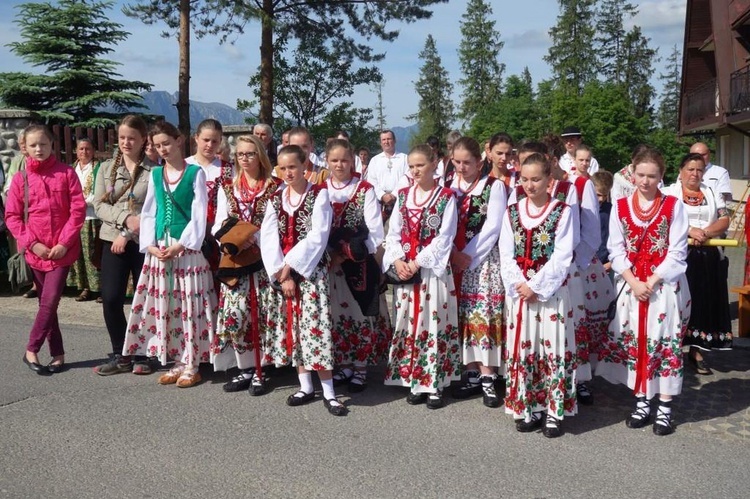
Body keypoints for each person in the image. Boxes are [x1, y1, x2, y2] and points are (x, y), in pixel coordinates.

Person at [597, 148, 690, 436]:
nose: (645, 181)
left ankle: (664, 406)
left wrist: (651, 281)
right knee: (636, 340)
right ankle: (640, 400)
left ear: (661, 176)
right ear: (632, 173)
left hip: (663, 288)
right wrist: (633, 282)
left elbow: (677, 252)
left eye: (652, 176)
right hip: (632, 286)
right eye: (641, 175)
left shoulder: (674, 206)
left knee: (663, 340)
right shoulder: (622, 206)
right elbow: (616, 248)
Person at [122, 121, 217, 388]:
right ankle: (177, 359)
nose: (163, 149)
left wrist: (181, 245)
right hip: (161, 249)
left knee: (190, 305)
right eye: (158, 145)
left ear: (179, 140)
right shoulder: (155, 175)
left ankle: (193, 363)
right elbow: (150, 212)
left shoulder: (195, 173)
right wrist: (149, 245)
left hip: (185, 249)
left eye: (167, 143)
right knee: (170, 306)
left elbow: (199, 214)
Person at [260, 145, 346, 416]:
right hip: (284, 277)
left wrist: (289, 267)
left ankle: (330, 392)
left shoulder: (319, 195)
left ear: (304, 166)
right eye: (282, 168)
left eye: (293, 167)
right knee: (295, 330)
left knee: (315, 329)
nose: (288, 172)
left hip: (310, 273)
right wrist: (278, 272)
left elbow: (317, 235)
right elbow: (268, 237)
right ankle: (305, 386)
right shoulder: (275, 198)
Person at [499, 152, 576, 438]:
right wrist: (520, 284)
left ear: (549, 179)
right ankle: (528, 406)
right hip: (521, 293)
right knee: (525, 348)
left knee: (551, 347)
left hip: (550, 294)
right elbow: (506, 253)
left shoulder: (563, 211)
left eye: (536, 179)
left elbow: (562, 255)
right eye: (525, 179)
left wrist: (537, 285)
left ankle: (554, 411)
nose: (530, 185)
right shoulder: (512, 212)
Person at [5, 124, 86, 375]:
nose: (38, 149)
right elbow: (12, 217)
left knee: (49, 301)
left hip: (62, 252)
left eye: (43, 144)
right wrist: (33, 243)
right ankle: (58, 353)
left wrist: (63, 243)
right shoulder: (21, 179)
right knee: (45, 303)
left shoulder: (66, 173)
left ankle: (31, 348)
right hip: (35, 252)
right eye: (33, 145)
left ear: (52, 145)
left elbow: (77, 211)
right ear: (24, 148)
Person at [383, 144, 459, 409]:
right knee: (410, 323)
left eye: (420, 165)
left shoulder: (446, 196)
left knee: (433, 323)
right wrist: (397, 259)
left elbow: (444, 237)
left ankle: (435, 382)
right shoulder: (403, 196)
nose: (415, 170)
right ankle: (416, 377)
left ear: (434, 164)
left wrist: (416, 262)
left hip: (431, 272)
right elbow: (393, 232)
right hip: (407, 271)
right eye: (412, 166)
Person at [211, 135, 280, 394]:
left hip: (264, 259)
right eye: (241, 154)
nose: (245, 158)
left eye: (250, 153)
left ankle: (263, 368)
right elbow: (218, 223)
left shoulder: (275, 187)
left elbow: (279, 223)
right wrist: (237, 238)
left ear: (260, 155)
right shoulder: (228, 187)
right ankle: (244, 367)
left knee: (262, 314)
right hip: (237, 259)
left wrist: (256, 237)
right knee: (236, 314)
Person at [92, 115, 159, 376]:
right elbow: (99, 206)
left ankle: (143, 353)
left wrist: (129, 234)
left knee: (144, 300)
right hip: (112, 241)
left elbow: (154, 210)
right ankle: (121, 353)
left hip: (143, 244)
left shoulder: (155, 171)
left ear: (144, 140)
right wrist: (125, 221)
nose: (126, 142)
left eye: (132, 137)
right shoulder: (107, 169)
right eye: (122, 137)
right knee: (110, 297)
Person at [325, 139, 391, 393]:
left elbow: (374, 231)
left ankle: (361, 366)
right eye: (334, 160)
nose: (340, 164)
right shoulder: (322, 189)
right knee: (336, 313)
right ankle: (344, 362)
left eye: (344, 159)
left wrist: (357, 254)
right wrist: (332, 254)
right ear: (328, 162)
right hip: (332, 264)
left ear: (352, 159)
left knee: (358, 312)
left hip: (358, 262)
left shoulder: (364, 189)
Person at [447, 137, 506, 408]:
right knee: (463, 316)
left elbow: (493, 226)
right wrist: (452, 255)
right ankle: (470, 372)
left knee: (482, 315)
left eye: (466, 162)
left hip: (481, 262)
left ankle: (488, 376)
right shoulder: (448, 187)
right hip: (453, 260)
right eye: (457, 162)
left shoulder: (493, 187)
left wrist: (466, 256)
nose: (461, 167)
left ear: (479, 162)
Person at [664, 153, 732, 373]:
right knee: (676, 302)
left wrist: (706, 232)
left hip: (706, 256)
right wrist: (688, 230)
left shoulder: (711, 193)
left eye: (699, 170)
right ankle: (670, 351)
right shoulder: (668, 193)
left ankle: (696, 349)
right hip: (678, 255)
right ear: (681, 171)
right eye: (690, 169)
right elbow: (663, 219)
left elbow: (724, 218)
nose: (695, 174)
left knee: (701, 302)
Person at [186, 119, 233, 271]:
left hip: (218, 233)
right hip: (189, 231)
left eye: (215, 141)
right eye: (206, 140)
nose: (210, 145)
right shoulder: (184, 166)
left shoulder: (228, 169)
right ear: (196, 138)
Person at [66, 138, 102, 302]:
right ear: (76, 151)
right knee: (79, 254)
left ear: (93, 151)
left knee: (94, 254)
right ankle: (85, 287)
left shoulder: (98, 168)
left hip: (92, 216)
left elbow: (103, 190)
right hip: (75, 218)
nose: (84, 152)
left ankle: (100, 287)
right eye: (81, 149)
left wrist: (83, 202)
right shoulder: (71, 169)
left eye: (88, 149)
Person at [4, 130, 37, 298]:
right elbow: (9, 185)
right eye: (21, 143)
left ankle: (36, 284)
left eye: (26, 142)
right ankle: (26, 279)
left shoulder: (40, 160)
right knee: (23, 246)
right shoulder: (17, 161)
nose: (23, 146)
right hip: (19, 211)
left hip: (35, 212)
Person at [366, 129, 409, 220]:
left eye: (389, 139)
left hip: (399, 200)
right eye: (383, 140)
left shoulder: (405, 158)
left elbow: (406, 179)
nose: (386, 142)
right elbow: (371, 181)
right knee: (379, 231)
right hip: (380, 201)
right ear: (380, 142)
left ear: (394, 140)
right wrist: (382, 195)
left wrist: (393, 195)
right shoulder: (375, 160)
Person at [591, 170, 614, 272]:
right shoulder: (582, 209)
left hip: (605, 264)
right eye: (598, 195)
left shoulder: (611, 210)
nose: (601, 199)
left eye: (605, 196)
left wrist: (611, 263)